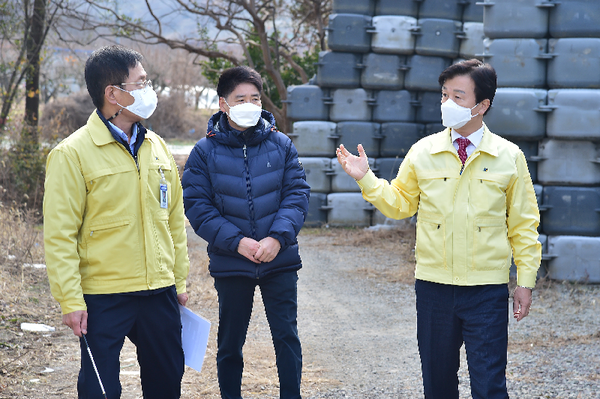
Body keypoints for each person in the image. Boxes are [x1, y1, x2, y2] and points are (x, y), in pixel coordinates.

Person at [336, 59, 541, 399]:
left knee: (490, 385)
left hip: (486, 289)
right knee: (437, 384)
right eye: (444, 94)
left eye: (458, 97)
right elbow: (400, 204)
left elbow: (523, 224)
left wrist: (526, 281)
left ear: (482, 105)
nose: (447, 103)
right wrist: (366, 179)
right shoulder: (424, 151)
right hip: (434, 288)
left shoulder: (509, 156)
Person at [43, 45, 190, 399]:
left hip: (158, 291)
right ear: (113, 93)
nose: (148, 89)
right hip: (103, 295)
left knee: (167, 382)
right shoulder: (72, 153)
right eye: (141, 82)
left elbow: (173, 221)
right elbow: (60, 235)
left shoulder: (157, 147)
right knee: (99, 389)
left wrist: (179, 281)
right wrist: (70, 299)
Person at [182, 66, 310, 399]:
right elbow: (198, 207)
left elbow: (297, 195)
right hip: (232, 262)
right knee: (230, 342)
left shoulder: (281, 145)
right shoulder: (203, 153)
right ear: (223, 104)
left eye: (255, 97)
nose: (250, 104)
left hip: (278, 259)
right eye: (241, 99)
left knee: (286, 338)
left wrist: (276, 238)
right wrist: (237, 242)